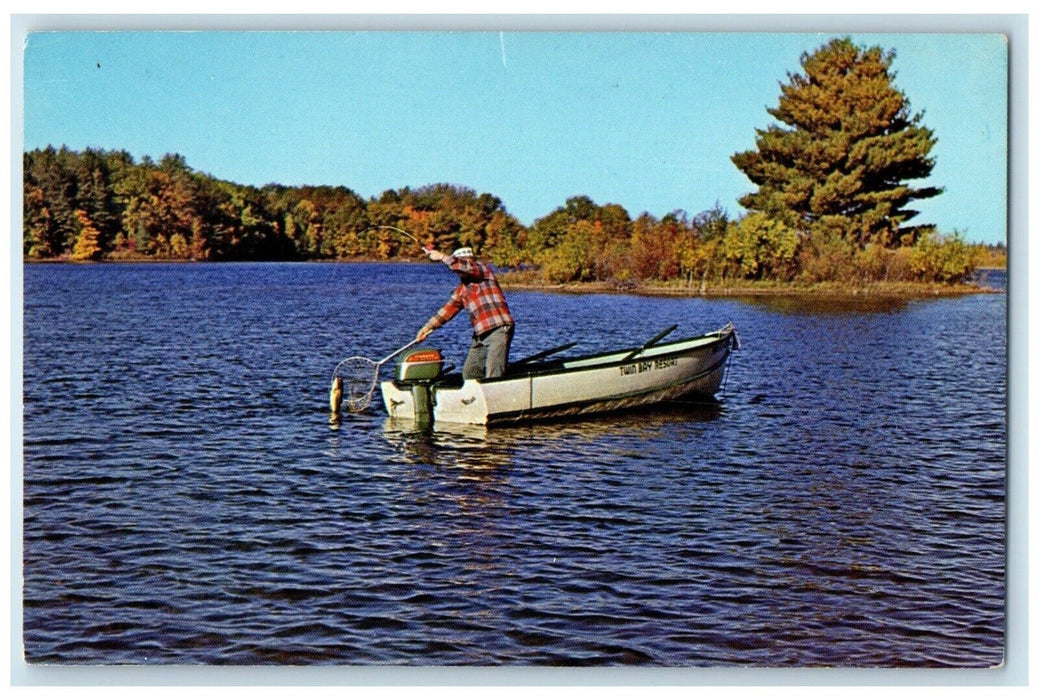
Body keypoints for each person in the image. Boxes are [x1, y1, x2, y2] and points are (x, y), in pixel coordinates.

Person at [416, 246, 515, 380]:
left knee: (494, 374)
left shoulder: (483, 270)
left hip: (499, 328)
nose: (461, 267)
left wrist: (442, 257)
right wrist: (427, 327)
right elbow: (447, 310)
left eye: (465, 261)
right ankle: (471, 398)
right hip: (481, 334)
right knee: (469, 373)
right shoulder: (462, 290)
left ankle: (495, 395)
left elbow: (465, 267)